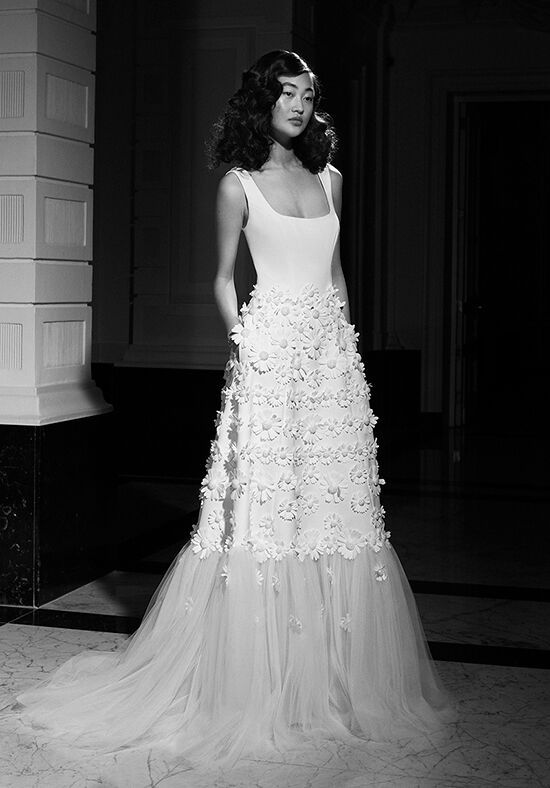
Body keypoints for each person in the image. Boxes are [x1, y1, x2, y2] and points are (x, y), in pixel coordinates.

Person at [11, 50, 452, 767]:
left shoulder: (332, 178)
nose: (300, 104)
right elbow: (223, 278)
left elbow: (336, 274)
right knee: (265, 510)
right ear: (262, 103)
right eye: (286, 93)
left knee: (334, 508)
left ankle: (331, 681)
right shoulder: (238, 184)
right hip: (268, 354)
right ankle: (256, 683)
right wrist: (246, 343)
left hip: (330, 362)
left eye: (308, 93)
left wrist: (347, 354)